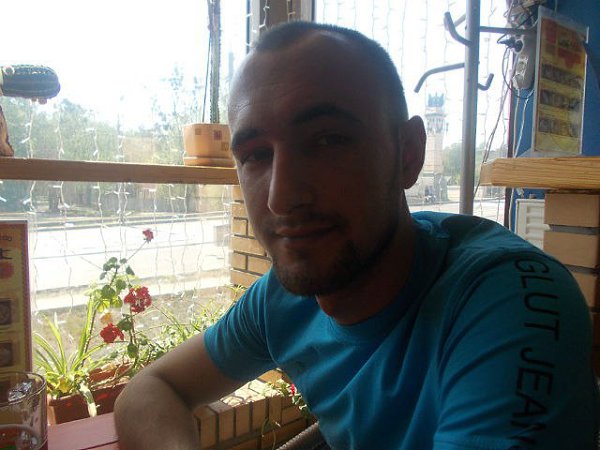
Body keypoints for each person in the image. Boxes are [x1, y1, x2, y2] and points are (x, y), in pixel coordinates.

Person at [114, 21, 599, 449]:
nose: (281, 197)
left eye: (328, 140)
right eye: (256, 155)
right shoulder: (281, 302)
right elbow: (150, 390)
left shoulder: (507, 302)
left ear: (408, 154)